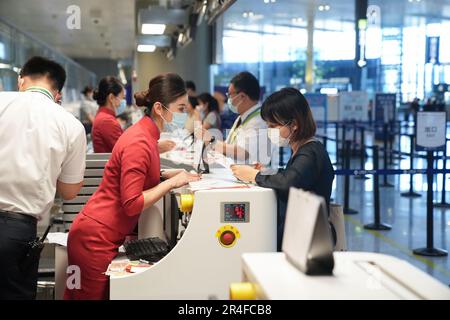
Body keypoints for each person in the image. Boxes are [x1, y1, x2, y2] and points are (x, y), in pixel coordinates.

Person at [64, 73, 201, 300]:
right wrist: (172, 184)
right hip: (93, 239)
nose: (183, 115)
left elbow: (135, 176)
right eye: (180, 108)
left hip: (100, 233)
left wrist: (165, 175)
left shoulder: (145, 135)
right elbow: (131, 203)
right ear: (159, 108)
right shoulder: (140, 141)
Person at [0, 56, 86, 299]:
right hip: (16, 231)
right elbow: (69, 192)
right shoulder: (70, 124)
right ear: (58, 93)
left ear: (21, 80)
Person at [230, 88, 335, 251]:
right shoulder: (301, 150)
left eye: (274, 126)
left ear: (294, 125)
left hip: (306, 241)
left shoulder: (311, 152)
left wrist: (255, 176)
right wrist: (267, 172)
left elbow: (290, 182)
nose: (270, 131)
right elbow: (297, 176)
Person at [197, 71, 274, 167]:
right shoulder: (242, 117)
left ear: (242, 96)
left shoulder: (259, 120)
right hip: (235, 171)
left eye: (230, 95)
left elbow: (243, 153)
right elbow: (229, 143)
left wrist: (212, 141)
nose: (228, 99)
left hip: (251, 177)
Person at [91, 76, 126, 153]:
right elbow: (124, 150)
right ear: (111, 98)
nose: (123, 102)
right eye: (122, 98)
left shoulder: (103, 116)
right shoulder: (106, 121)